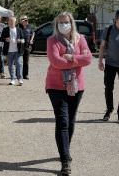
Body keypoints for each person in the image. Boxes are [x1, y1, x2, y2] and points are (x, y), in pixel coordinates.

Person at [46, 12, 92, 175]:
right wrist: (76, 60)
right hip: (56, 86)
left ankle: (65, 148)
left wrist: (71, 57)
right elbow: (55, 62)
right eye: (60, 23)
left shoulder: (81, 39)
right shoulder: (52, 40)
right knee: (63, 121)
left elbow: (88, 59)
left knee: (71, 121)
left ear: (71, 23)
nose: (63, 25)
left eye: (66, 22)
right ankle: (65, 159)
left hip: (76, 86)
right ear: (56, 25)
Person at [1, 16, 25, 85]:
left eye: (13, 21)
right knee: (10, 65)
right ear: (8, 22)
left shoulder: (19, 30)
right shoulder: (5, 29)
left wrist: (20, 40)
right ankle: (12, 79)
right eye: (10, 21)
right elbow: (0, 38)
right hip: (9, 51)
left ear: (15, 22)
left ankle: (20, 79)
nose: (11, 22)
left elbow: (23, 40)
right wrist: (5, 39)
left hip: (18, 50)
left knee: (19, 64)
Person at [20, 15, 34, 80]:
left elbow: (33, 33)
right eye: (24, 19)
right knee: (19, 61)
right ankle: (19, 74)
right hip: (20, 46)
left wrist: (31, 40)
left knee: (26, 62)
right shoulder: (19, 27)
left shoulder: (30, 26)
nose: (25, 21)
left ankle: (25, 75)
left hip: (27, 46)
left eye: (26, 19)